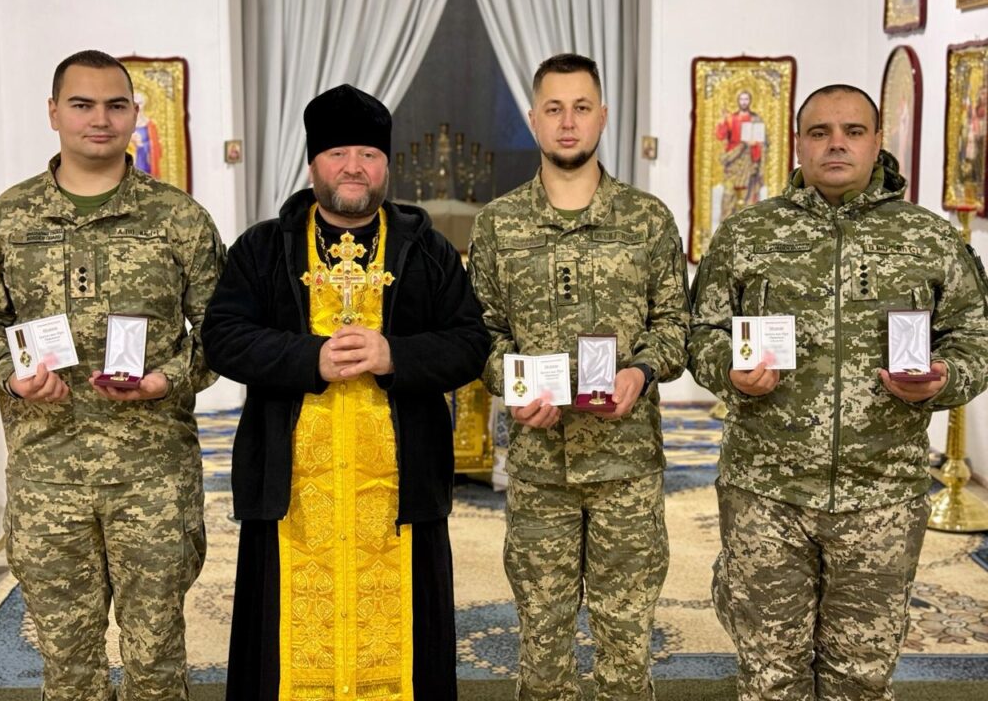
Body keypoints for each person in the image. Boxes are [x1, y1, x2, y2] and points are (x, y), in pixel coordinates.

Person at [689, 84, 988, 701]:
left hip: (882, 492)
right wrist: (728, 370)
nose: (836, 144)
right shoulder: (748, 234)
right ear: (798, 144)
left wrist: (943, 379)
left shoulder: (928, 238)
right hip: (766, 490)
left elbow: (974, 339)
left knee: (861, 678)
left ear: (877, 141)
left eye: (853, 131)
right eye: (819, 132)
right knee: (771, 677)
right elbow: (702, 333)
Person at [201, 84, 490, 701]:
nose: (353, 167)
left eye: (368, 154)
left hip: (398, 491)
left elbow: (470, 342)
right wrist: (308, 357)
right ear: (313, 164)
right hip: (292, 491)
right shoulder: (263, 247)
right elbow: (222, 337)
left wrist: (393, 355)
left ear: (386, 164)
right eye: (338, 153)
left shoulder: (426, 249)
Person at [0, 49, 225, 700]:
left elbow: (224, 333)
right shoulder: (11, 219)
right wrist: (11, 375)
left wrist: (167, 379)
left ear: (134, 114)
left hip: (152, 473)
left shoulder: (178, 218)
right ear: (54, 112)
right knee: (67, 662)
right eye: (82, 104)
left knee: (156, 657)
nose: (99, 119)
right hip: (47, 472)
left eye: (115, 105)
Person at [467, 53, 690, 700]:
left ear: (603, 117)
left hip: (627, 468)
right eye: (555, 109)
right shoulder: (499, 225)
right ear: (534, 119)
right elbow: (481, 333)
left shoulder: (647, 220)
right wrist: (512, 384)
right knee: (542, 645)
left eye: (582, 107)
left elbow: (675, 325)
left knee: (627, 645)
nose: (568, 122)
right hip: (540, 468)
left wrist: (640, 373)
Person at [715, 90, 766, 220]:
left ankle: (745, 224)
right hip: (733, 159)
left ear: (750, 101)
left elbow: (762, 142)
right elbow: (720, 136)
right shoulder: (731, 118)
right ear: (738, 101)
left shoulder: (756, 119)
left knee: (747, 195)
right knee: (729, 193)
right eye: (742, 99)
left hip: (749, 160)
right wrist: (722, 121)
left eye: (746, 99)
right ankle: (725, 223)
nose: (744, 102)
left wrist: (755, 145)